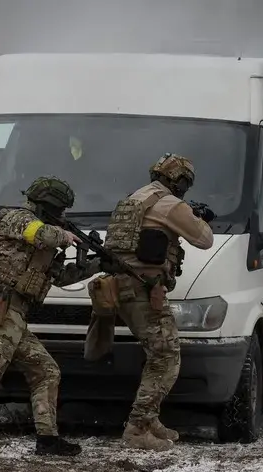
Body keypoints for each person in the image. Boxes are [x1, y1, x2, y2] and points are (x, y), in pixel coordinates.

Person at [0, 176, 104, 456]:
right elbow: (40, 233)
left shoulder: (45, 238)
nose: (63, 216)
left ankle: (47, 439)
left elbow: (61, 277)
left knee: (46, 371)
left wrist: (97, 265)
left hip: (14, 316)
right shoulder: (18, 219)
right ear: (47, 205)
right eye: (60, 210)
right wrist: (66, 236)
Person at [100, 153, 215, 451]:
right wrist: (195, 216)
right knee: (165, 357)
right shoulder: (168, 204)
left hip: (124, 286)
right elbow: (205, 239)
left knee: (158, 353)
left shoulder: (134, 200)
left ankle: (150, 420)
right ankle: (138, 427)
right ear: (179, 181)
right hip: (143, 289)